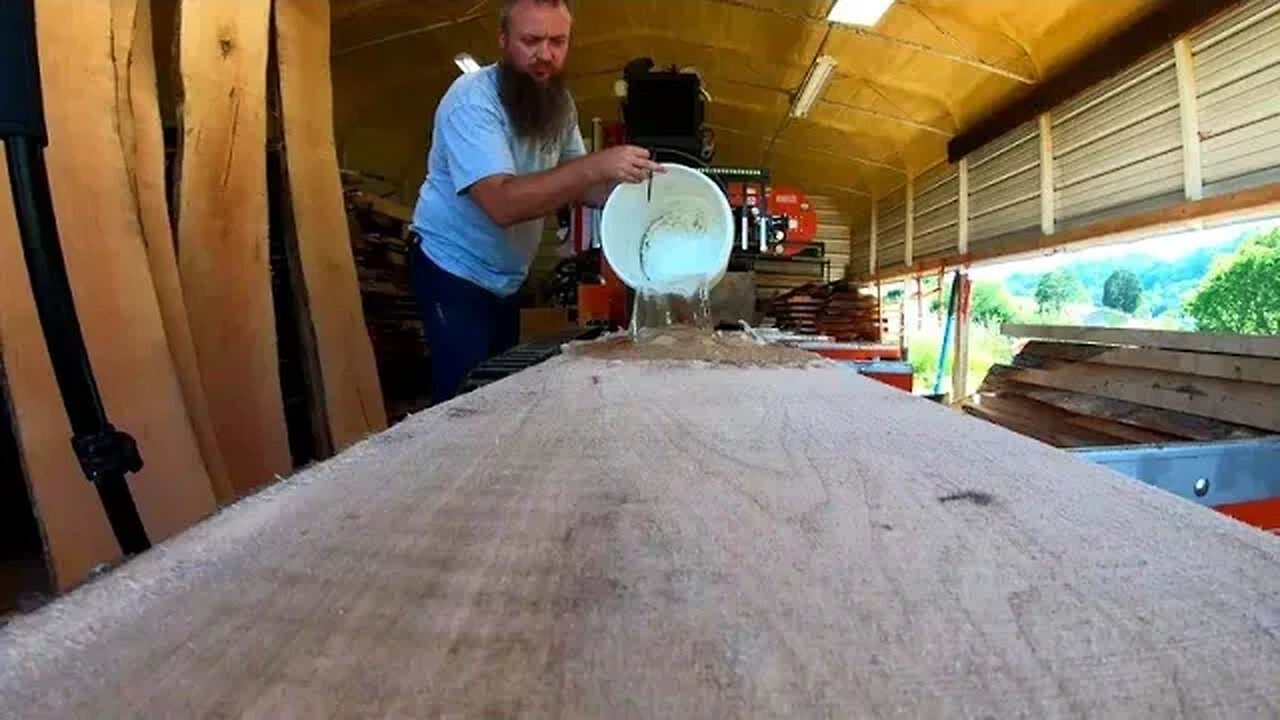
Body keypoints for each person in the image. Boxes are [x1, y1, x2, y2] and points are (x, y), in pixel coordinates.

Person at [409, 0, 661, 404]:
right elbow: (503, 204)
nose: (545, 54)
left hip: (506, 278)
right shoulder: (473, 101)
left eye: (557, 41)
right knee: (461, 400)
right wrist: (597, 165)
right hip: (453, 268)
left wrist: (643, 198)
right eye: (531, 40)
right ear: (504, 40)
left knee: (495, 393)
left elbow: (581, 186)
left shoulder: (557, 104)